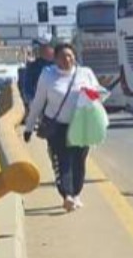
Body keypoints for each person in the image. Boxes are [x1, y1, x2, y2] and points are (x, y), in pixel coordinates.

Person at [22, 43, 101, 212]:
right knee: (62, 161)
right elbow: (38, 102)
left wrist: (91, 94)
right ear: (55, 58)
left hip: (80, 126)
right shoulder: (48, 75)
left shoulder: (85, 73)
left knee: (79, 162)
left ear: (75, 57)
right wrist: (29, 127)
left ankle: (76, 193)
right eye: (63, 56)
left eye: (70, 56)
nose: (67, 60)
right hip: (57, 127)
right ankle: (67, 195)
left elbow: (98, 95)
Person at [21, 40, 54, 105]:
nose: (40, 50)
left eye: (45, 47)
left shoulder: (61, 65)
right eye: (40, 48)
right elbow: (28, 89)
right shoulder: (33, 67)